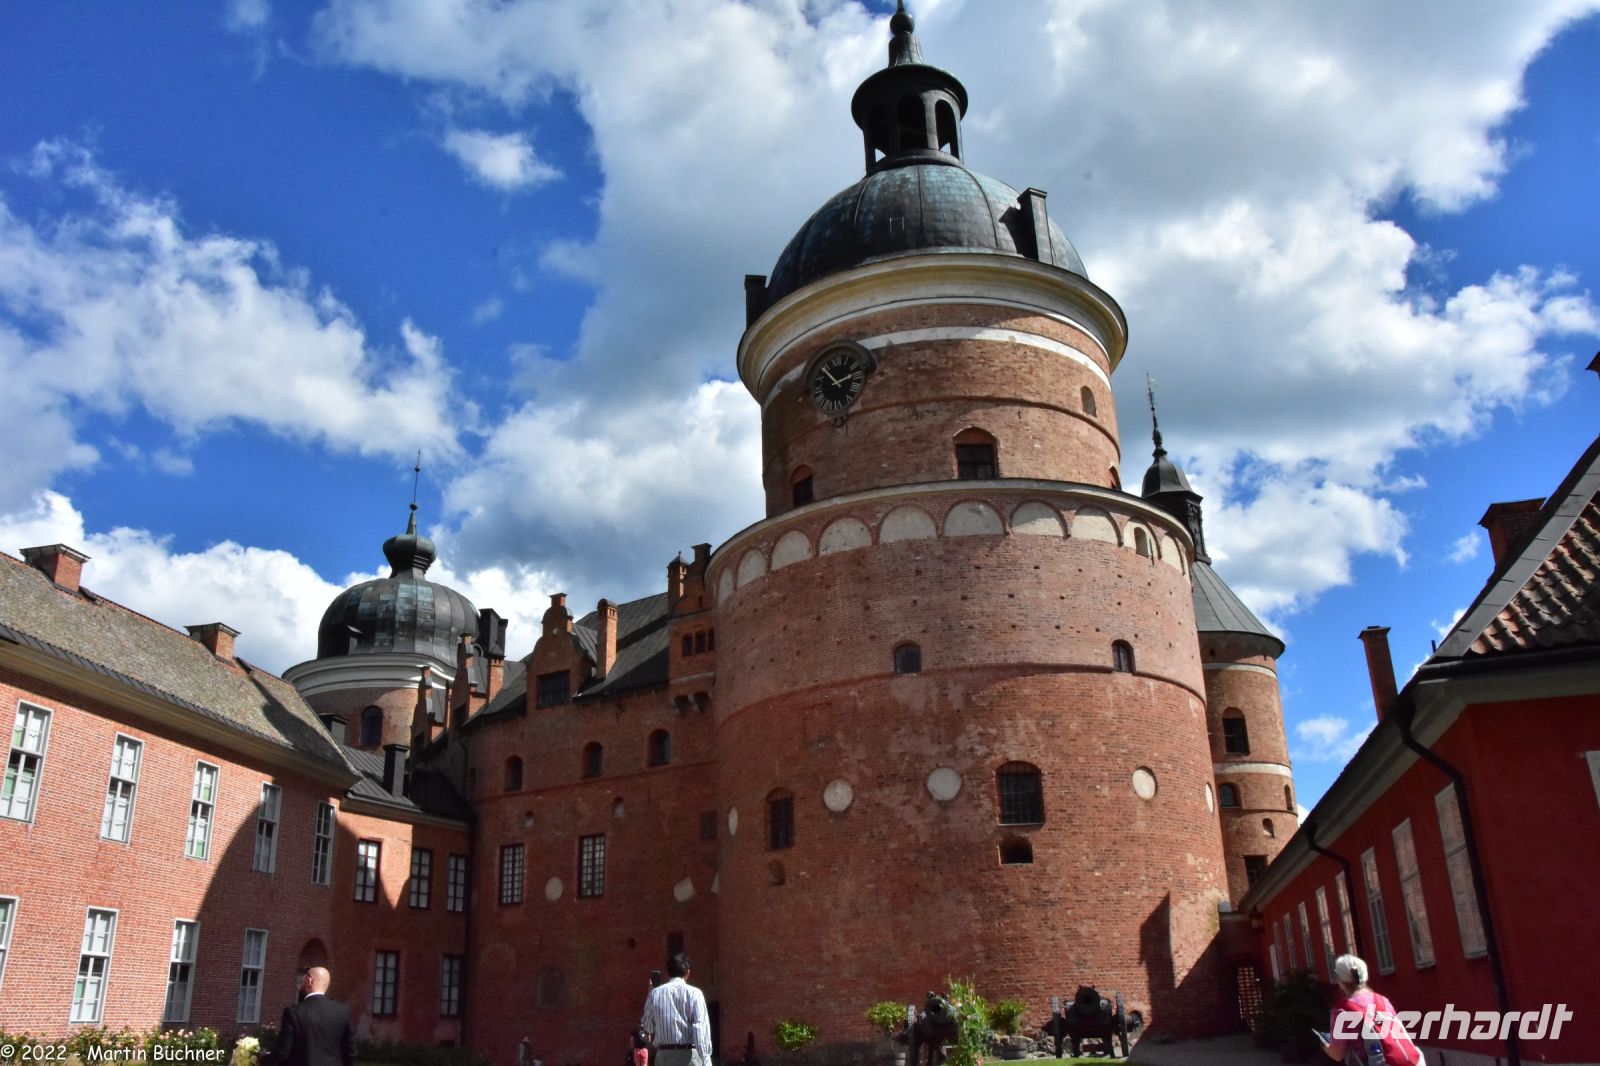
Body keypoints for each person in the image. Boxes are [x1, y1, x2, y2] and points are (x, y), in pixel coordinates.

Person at [1324, 954, 1423, 1065]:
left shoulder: (1341, 1011)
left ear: (1341, 982)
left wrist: (1326, 1046)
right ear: (1365, 976)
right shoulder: (1383, 1001)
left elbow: (1338, 1054)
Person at [640, 954, 714, 1066]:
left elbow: (647, 1027)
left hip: (664, 1056)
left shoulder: (654, 994)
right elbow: (699, 1030)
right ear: (687, 973)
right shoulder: (695, 994)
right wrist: (706, 1060)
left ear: (667, 973)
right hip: (689, 1055)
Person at [274, 967, 356, 1066]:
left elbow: (282, 1053)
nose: (299, 984)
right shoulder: (343, 1011)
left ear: (309, 981)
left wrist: (262, 1059)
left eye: (302, 980)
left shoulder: (294, 1012)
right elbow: (351, 1053)